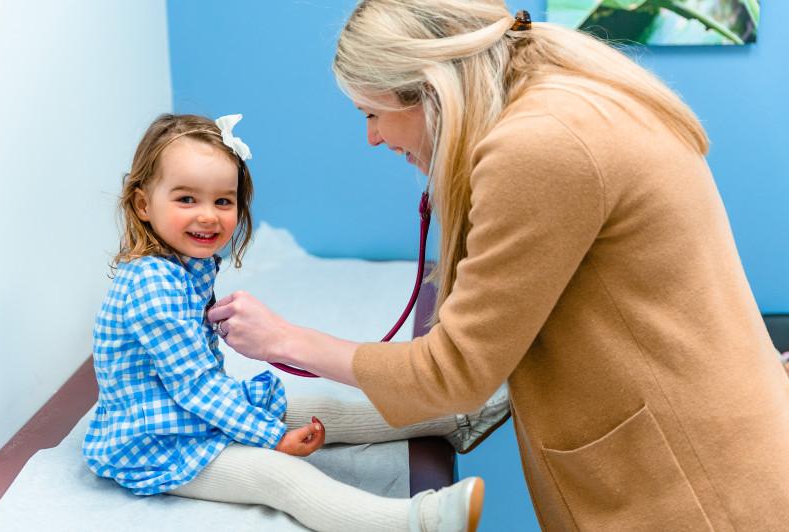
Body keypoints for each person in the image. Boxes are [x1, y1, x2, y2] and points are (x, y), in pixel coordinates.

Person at [207, 2, 789, 530]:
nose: (373, 138)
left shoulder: (539, 147)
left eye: (371, 113)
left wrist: (284, 340)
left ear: (425, 88)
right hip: (722, 444)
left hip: (693, 491)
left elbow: (454, 374)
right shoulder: (566, 94)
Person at [82, 112, 496, 532]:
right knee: (279, 477)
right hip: (157, 440)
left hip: (190, 413)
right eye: (187, 199)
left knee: (323, 409)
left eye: (223, 201)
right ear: (142, 204)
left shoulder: (184, 267)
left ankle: (459, 419)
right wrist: (270, 437)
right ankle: (418, 521)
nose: (209, 215)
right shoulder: (153, 286)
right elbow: (195, 386)